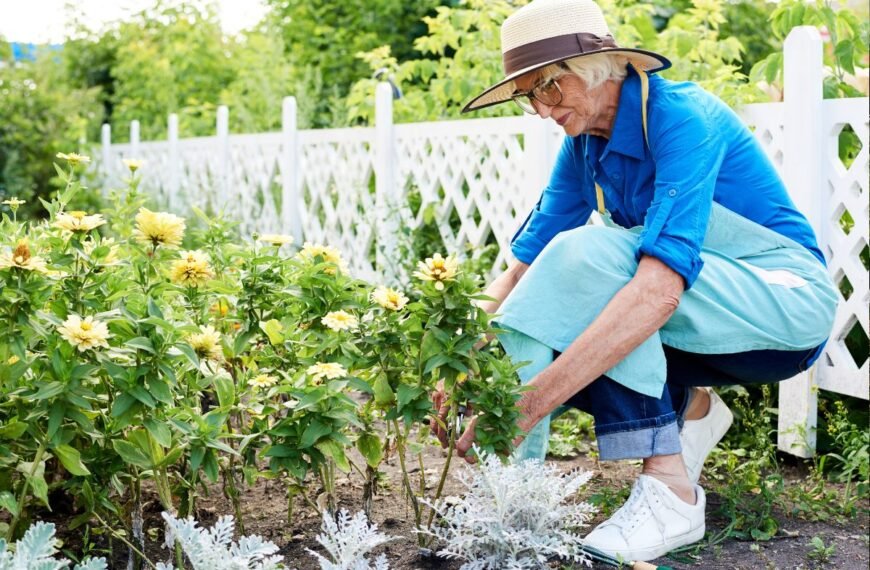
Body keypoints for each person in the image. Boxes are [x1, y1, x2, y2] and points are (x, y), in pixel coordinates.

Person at [430, 0, 837, 562]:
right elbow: (524, 270)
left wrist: (525, 408)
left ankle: (671, 492)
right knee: (556, 292)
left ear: (599, 66)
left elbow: (658, 290)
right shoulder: (584, 148)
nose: (543, 110)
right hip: (704, 316)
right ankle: (683, 412)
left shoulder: (683, 118)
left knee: (593, 258)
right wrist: (459, 355)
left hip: (784, 307)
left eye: (548, 89)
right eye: (529, 97)